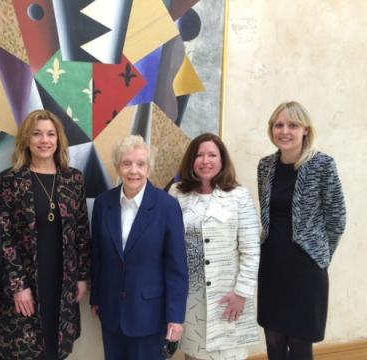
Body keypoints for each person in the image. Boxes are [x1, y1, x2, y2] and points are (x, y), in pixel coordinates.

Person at [0, 109, 90, 360]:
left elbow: (81, 231)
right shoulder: (11, 180)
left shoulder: (73, 179)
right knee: (24, 349)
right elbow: (5, 238)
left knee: (55, 346)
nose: (45, 140)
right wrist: (18, 286)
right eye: (37, 134)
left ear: (58, 140)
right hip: (26, 280)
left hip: (62, 279)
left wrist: (82, 277)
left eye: (50, 134)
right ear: (26, 140)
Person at [257, 101, 346, 360]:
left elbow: (336, 217)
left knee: (299, 343)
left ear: (305, 129)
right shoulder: (265, 166)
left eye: (293, 125)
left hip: (305, 270)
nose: (285, 131)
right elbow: (267, 216)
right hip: (272, 265)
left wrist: (320, 255)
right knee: (273, 339)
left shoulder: (322, 164)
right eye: (279, 125)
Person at [90, 134, 188, 360]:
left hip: (150, 314)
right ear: (117, 167)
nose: (134, 170)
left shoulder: (167, 206)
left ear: (149, 168)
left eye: (140, 164)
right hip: (111, 309)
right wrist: (96, 297)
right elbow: (97, 255)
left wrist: (175, 316)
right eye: (126, 163)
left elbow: (176, 267)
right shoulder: (104, 204)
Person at [169, 133, 260, 360]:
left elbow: (251, 249)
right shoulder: (177, 194)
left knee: (227, 355)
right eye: (199, 155)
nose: (205, 160)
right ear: (191, 160)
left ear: (222, 160)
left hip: (228, 296)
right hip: (191, 298)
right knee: (193, 354)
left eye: (212, 155)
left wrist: (241, 293)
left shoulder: (239, 196)